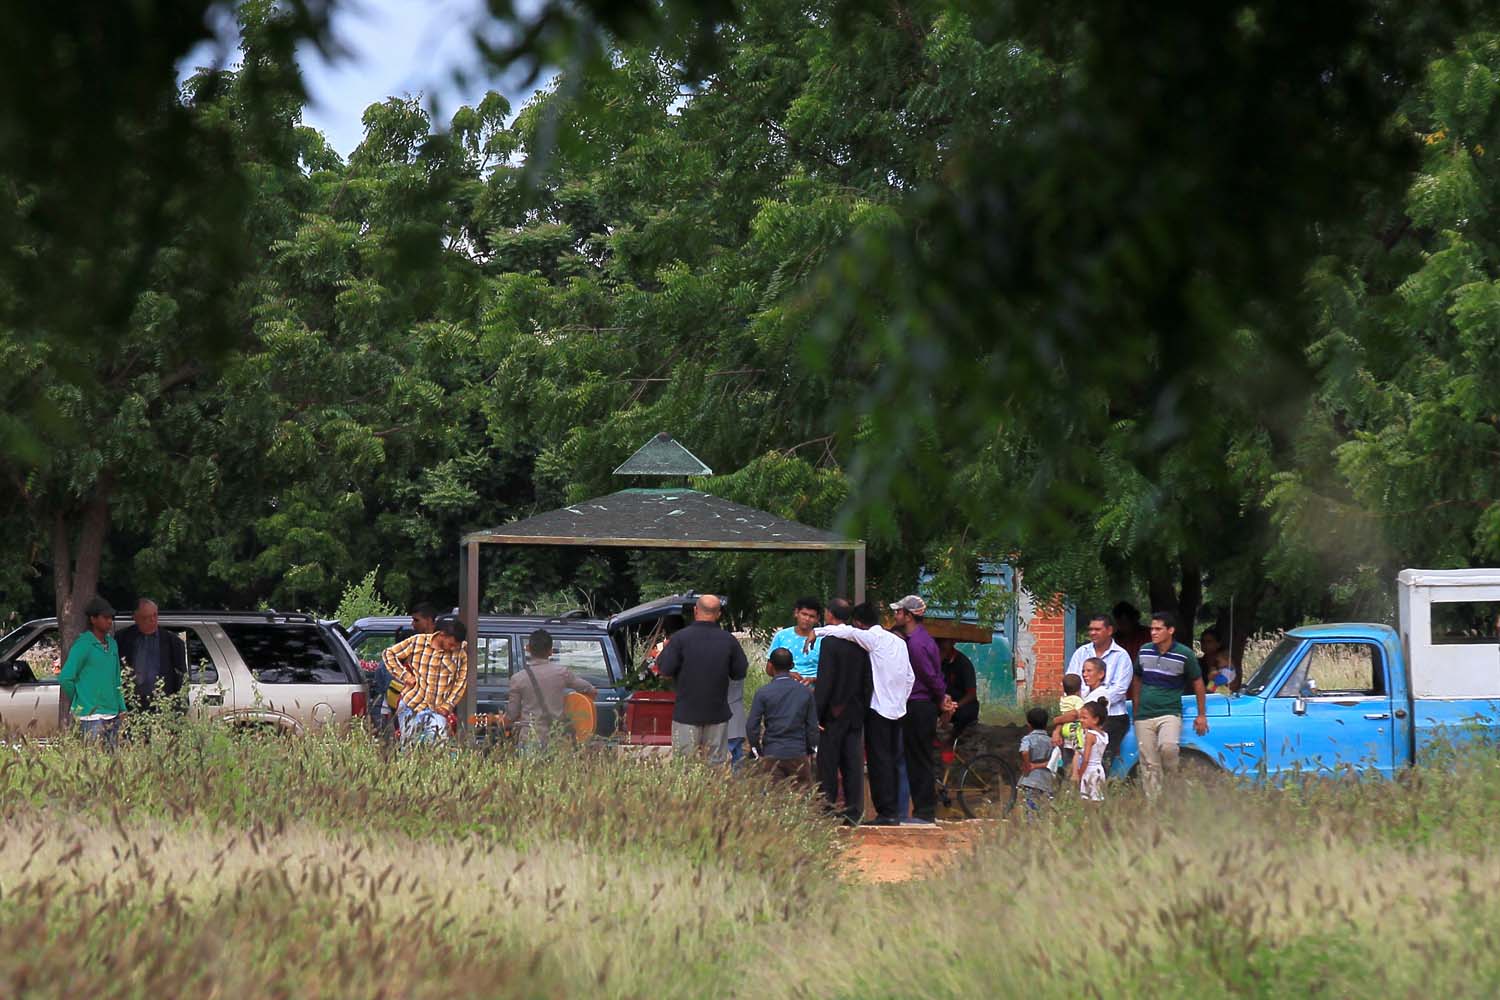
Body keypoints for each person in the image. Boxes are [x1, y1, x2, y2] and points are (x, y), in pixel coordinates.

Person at [812, 602, 914, 826]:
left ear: (858, 623)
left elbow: (843, 633)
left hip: (868, 710)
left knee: (874, 761)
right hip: (889, 710)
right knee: (874, 761)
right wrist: (900, 700)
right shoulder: (898, 642)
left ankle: (883, 812)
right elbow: (909, 678)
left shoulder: (867, 639)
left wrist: (813, 632)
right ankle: (872, 810)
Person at [656, 594, 748, 765]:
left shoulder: (680, 639)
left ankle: (689, 793)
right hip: (717, 715)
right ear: (718, 614)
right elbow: (739, 673)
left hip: (686, 714)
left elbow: (665, 671)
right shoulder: (729, 641)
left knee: (685, 767)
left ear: (695, 610)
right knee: (716, 767)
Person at [1133, 611, 1209, 797]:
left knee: (1168, 747)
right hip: (1144, 713)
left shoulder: (1184, 654)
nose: (1153, 632)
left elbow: (1198, 682)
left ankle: (1174, 779)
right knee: (1148, 761)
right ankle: (1155, 803)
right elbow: (1137, 678)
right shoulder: (1144, 650)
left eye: (1158, 629)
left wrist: (1201, 714)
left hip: (1169, 711)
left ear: (1170, 630)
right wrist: (1136, 705)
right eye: (1152, 628)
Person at [889, 595, 948, 825]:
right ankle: (923, 810)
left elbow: (928, 675)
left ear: (909, 615)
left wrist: (941, 697)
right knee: (920, 757)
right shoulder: (925, 639)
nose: (895, 616)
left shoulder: (914, 644)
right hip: (924, 704)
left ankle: (924, 811)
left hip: (918, 704)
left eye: (899, 612)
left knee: (918, 759)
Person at [814, 597, 873, 824]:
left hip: (833, 713)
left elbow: (826, 681)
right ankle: (853, 811)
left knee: (828, 763)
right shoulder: (860, 641)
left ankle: (827, 810)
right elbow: (868, 679)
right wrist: (863, 707)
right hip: (856, 711)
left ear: (829, 615)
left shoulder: (829, 642)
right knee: (853, 762)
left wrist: (817, 713)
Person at [507, 628, 598, 751]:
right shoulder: (562, 673)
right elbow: (590, 689)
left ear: (528, 649)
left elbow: (512, 715)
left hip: (529, 738)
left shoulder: (517, 679)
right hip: (556, 738)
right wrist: (577, 704)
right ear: (550, 651)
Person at [383, 615, 468, 746]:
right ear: (442, 635)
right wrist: (405, 676)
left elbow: (461, 681)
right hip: (411, 704)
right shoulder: (418, 642)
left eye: (456, 646)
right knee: (409, 749)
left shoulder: (460, 653)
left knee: (439, 749)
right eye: (451, 644)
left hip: (437, 708)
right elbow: (389, 654)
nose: (452, 649)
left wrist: (448, 705)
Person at [1065, 613, 1134, 769]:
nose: (1092, 633)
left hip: (1111, 716)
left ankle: (1097, 789)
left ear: (1109, 630)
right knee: (1072, 753)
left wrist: (1090, 706)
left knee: (1099, 758)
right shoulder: (1081, 652)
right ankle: (1072, 789)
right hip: (1080, 714)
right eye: (1091, 629)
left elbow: (1119, 690)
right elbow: (1071, 681)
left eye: (1097, 629)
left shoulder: (1121, 656)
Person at [58, 597, 127, 747]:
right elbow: (65, 677)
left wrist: (122, 708)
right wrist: (80, 699)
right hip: (90, 717)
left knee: (111, 765)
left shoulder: (113, 644)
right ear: (93, 619)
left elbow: (116, 679)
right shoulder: (84, 644)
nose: (109, 621)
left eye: (111, 618)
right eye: (105, 617)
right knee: (92, 762)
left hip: (112, 714)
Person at [747, 647, 819, 784]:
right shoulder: (805, 692)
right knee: (802, 798)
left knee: (775, 799)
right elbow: (812, 727)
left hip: (772, 752)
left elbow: (752, 726)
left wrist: (757, 750)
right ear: (792, 666)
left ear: (771, 666)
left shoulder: (763, 693)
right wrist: (811, 748)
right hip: (798, 751)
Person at [115, 598, 187, 713]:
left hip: (162, 705)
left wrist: (179, 708)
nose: (152, 620)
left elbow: (182, 677)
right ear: (136, 618)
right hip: (131, 705)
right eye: (147, 617)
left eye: (155, 615)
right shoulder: (122, 639)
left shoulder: (172, 642)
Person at [768, 596, 824, 682]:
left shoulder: (822, 639)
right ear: (796, 613)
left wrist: (812, 679)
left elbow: (829, 671)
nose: (807, 619)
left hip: (815, 686)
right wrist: (787, 675)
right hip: (786, 683)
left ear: (817, 619)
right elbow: (769, 668)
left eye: (811, 616)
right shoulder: (781, 636)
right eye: (804, 614)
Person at [936, 637, 979, 741]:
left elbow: (971, 693)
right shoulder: (935, 663)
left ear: (952, 643)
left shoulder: (963, 663)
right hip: (942, 701)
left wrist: (954, 707)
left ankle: (953, 742)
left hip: (960, 704)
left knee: (965, 714)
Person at [1016, 706, 1055, 811]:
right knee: (1045, 811)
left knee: (1030, 810)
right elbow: (1056, 762)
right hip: (1047, 781)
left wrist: (1028, 765)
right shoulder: (1051, 741)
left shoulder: (1027, 739)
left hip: (1030, 780)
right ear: (1046, 724)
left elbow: (1024, 752)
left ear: (1029, 725)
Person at [1074, 697, 1111, 803]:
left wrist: (1080, 773)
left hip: (1089, 771)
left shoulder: (1090, 736)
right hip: (1099, 770)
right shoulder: (1104, 735)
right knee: (1097, 799)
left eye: (1084, 718)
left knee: (1087, 801)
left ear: (1095, 719)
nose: (1081, 720)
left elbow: (1086, 759)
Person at [1055, 673, 1085, 771]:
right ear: (1078, 690)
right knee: (1078, 750)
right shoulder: (1077, 700)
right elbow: (1078, 713)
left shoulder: (1063, 700)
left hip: (1064, 728)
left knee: (1067, 752)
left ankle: (1066, 770)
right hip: (1073, 728)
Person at [1200, 627, 1238, 692]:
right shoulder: (1199, 662)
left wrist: (1210, 687)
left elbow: (1231, 690)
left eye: (1209, 641)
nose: (1205, 644)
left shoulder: (1225, 663)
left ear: (1218, 644)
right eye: (1202, 641)